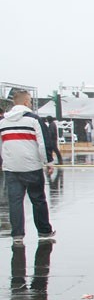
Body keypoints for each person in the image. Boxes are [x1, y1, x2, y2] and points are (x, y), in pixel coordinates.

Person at [0, 89, 55, 245]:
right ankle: (44, 231)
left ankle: (17, 234)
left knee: (15, 201)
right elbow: (43, 143)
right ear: (25, 102)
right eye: (30, 101)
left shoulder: (3, 122)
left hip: (11, 167)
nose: (30, 103)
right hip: (31, 166)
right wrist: (48, 162)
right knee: (38, 199)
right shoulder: (34, 120)